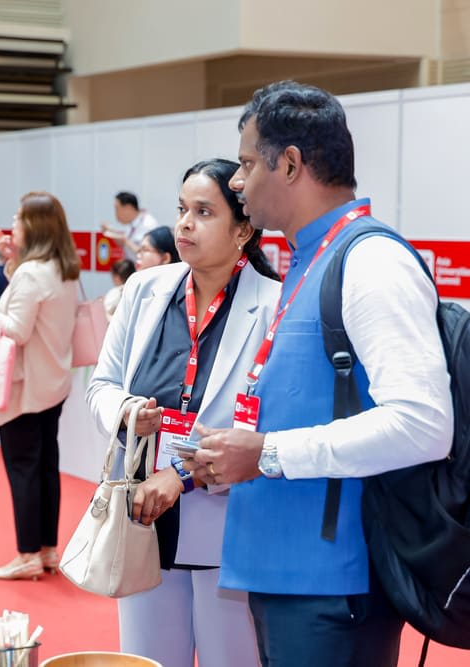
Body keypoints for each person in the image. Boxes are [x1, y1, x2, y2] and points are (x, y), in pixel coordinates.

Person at [184, 81, 453, 667]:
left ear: (289, 164)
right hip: (289, 573)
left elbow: (424, 424)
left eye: (247, 164)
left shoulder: (370, 260)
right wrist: (236, 456)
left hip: (333, 584)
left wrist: (267, 453)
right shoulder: (314, 255)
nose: (237, 181)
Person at [87, 158, 281, 667]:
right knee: (146, 660)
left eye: (204, 212)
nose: (185, 225)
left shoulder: (274, 305)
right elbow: (101, 386)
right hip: (142, 517)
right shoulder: (143, 289)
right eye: (181, 210)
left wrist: (181, 473)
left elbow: (262, 425)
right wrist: (127, 412)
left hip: (226, 525)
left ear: (243, 230)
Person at [0, 191, 80, 580]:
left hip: (27, 387)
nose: (12, 224)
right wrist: (13, 260)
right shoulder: (62, 269)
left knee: (24, 470)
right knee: (45, 468)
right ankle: (47, 550)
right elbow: (27, 302)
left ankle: (27, 554)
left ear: (34, 225)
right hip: (54, 382)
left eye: (18, 217)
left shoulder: (33, 273)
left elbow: (16, 329)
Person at [100, 190, 163, 263]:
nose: (115, 214)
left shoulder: (149, 224)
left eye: (117, 209)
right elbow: (124, 243)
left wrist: (125, 240)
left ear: (128, 208)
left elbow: (150, 254)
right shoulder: (131, 224)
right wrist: (110, 231)